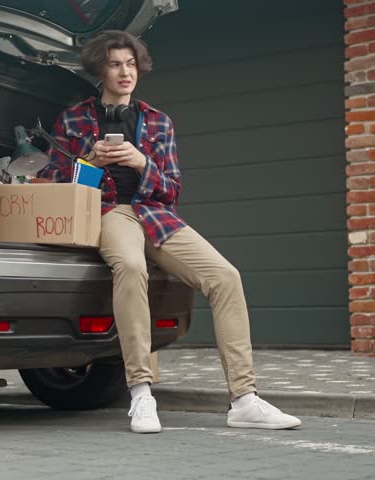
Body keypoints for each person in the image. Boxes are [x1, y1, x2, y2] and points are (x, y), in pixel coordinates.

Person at [38, 30, 301, 434]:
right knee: (130, 267)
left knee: (226, 277)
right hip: (108, 212)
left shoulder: (158, 121)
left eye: (130, 63)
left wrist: (141, 162)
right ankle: (141, 395)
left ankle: (245, 400)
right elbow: (52, 182)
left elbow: (172, 189)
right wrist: (90, 160)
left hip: (155, 215)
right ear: (99, 70)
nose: (125, 72)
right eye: (114, 64)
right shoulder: (74, 119)